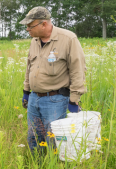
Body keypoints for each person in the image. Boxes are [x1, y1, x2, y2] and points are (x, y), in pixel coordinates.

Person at [20, 6, 86, 151]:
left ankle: (54, 168)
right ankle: (36, 166)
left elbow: (78, 70)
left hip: (55, 100)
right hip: (34, 99)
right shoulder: (34, 41)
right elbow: (29, 67)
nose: (27, 29)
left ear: (44, 24)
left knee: (54, 138)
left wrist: (74, 99)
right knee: (34, 137)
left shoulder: (68, 39)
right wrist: (26, 91)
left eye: (30, 26)